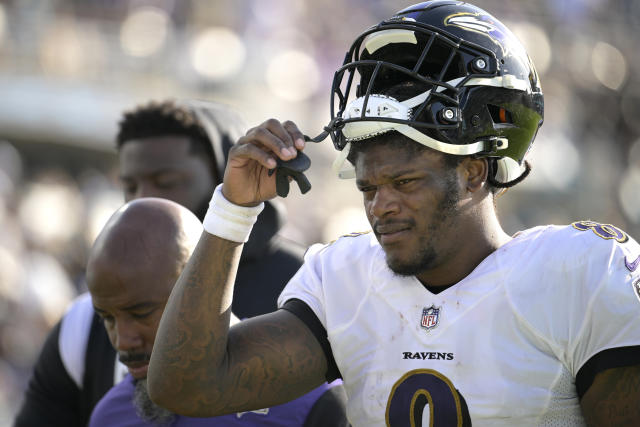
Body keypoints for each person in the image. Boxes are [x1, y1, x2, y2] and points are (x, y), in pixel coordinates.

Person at [147, 2, 640, 426]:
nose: (380, 206)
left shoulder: (580, 272)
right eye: (368, 187)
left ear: (472, 172)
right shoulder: (345, 279)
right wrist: (233, 210)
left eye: (404, 183)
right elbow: (188, 385)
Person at [14, 100, 331, 427]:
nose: (144, 199)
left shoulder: (304, 289)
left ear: (224, 178)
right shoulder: (83, 326)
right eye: (130, 186)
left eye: (166, 183)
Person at [85, 198, 347, 426]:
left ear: (197, 294)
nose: (123, 340)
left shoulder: (312, 401)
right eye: (107, 318)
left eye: (141, 314)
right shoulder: (110, 415)